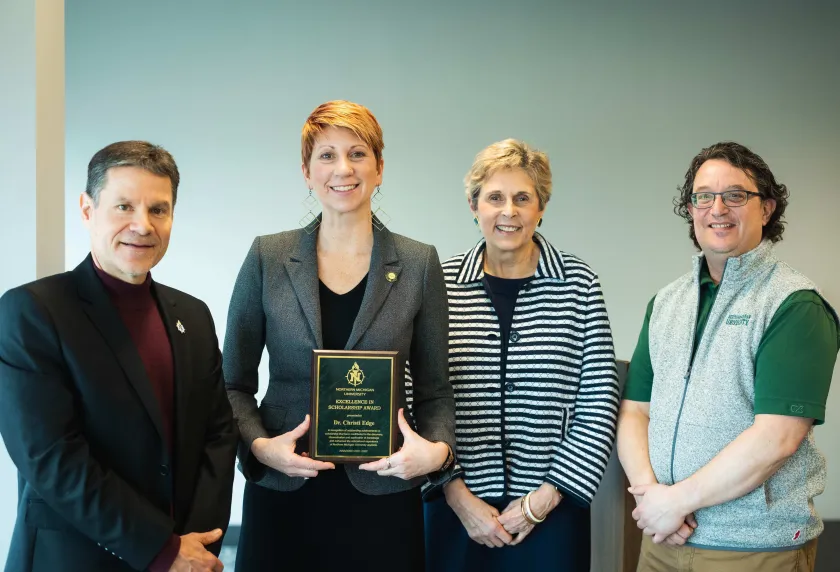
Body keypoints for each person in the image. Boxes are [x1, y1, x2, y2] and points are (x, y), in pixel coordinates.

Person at [224, 100, 456, 572]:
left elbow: (436, 390)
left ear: (380, 168)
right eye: (326, 155)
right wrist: (259, 446)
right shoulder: (268, 256)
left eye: (357, 153)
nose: (342, 168)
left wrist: (437, 451)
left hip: (384, 487)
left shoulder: (417, 263)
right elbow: (232, 384)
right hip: (285, 488)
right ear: (307, 172)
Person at [0, 141, 238, 572]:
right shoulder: (34, 312)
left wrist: (196, 547)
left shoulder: (194, 316)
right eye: (124, 206)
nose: (142, 225)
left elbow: (218, 435)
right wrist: (161, 550)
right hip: (74, 560)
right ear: (88, 210)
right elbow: (51, 458)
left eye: (159, 210)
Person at [617, 141, 839, 572]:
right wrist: (652, 497)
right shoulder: (667, 302)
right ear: (691, 208)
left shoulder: (794, 304)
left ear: (767, 209)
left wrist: (675, 501)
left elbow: (777, 438)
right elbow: (635, 411)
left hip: (752, 546)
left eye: (735, 195)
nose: (717, 208)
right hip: (663, 538)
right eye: (703, 196)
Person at [424, 139, 620, 572]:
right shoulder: (440, 284)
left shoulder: (579, 284)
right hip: (455, 509)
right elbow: (416, 396)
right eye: (494, 197)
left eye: (522, 198)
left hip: (553, 509)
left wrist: (543, 499)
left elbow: (599, 402)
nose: (508, 211)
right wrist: (456, 495)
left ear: (541, 207)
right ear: (474, 205)